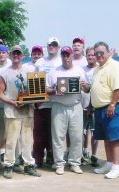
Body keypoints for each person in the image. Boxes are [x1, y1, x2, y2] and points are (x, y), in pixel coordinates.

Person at [83, 41, 119, 179]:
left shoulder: (115, 66)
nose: (99, 55)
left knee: (114, 138)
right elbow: (97, 88)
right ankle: (109, 164)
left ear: (109, 52)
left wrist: (112, 105)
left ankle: (116, 167)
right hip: (99, 108)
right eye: (96, 53)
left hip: (113, 106)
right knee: (107, 138)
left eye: (102, 53)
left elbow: (118, 88)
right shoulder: (98, 68)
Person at [0, 45, 41, 179]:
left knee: (28, 140)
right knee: (11, 140)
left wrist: (31, 101)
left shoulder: (30, 70)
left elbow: (36, 91)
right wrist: (12, 102)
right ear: (10, 55)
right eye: (14, 53)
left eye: (18, 53)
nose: (16, 56)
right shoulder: (5, 73)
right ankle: (9, 165)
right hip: (12, 110)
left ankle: (28, 164)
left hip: (27, 110)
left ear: (22, 55)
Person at [47, 46, 88, 175]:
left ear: (71, 56)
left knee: (76, 137)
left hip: (76, 106)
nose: (66, 57)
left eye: (68, 55)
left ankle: (75, 163)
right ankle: (59, 163)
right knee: (58, 137)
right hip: (59, 106)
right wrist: (55, 90)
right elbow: (47, 89)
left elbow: (87, 89)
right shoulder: (54, 71)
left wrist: (84, 85)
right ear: (61, 56)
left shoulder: (80, 70)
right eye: (63, 55)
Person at [33, 37, 62, 167]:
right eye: (50, 45)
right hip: (41, 103)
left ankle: (51, 157)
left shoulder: (62, 61)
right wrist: (37, 99)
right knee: (38, 133)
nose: (52, 47)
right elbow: (35, 80)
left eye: (54, 45)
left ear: (58, 47)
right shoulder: (40, 61)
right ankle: (38, 159)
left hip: (56, 103)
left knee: (53, 134)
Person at [80, 46, 99, 167]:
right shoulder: (81, 70)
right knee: (81, 132)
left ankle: (94, 155)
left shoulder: (99, 69)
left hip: (95, 106)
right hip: (82, 105)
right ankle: (81, 154)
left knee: (94, 132)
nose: (91, 57)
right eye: (88, 55)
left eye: (93, 55)